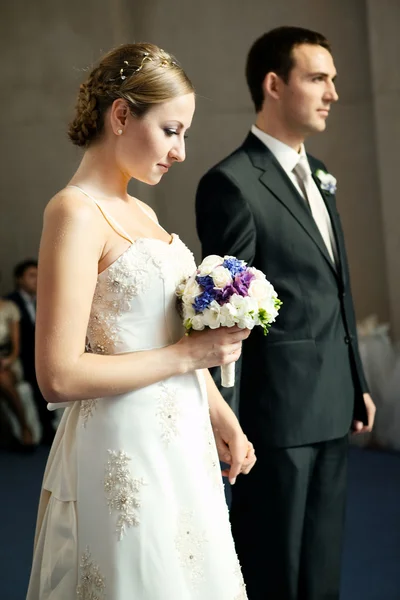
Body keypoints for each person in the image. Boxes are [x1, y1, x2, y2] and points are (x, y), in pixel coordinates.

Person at [27, 43, 256, 599]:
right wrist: (187, 356)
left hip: (181, 441)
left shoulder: (145, 212)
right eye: (172, 130)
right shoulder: (75, 211)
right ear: (122, 115)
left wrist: (220, 413)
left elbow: (165, 338)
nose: (181, 151)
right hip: (122, 446)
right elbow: (57, 375)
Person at [195, 26, 376, 600]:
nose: (333, 93)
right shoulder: (231, 183)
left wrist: (358, 383)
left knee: (321, 567)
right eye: (318, 78)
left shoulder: (321, 175)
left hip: (331, 401)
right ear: (274, 85)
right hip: (275, 417)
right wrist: (228, 419)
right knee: (273, 568)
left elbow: (338, 290)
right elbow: (226, 316)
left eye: (334, 80)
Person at [7, 260, 55, 444]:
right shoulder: (10, 303)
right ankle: (44, 429)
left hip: (44, 356)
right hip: (23, 358)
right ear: (19, 279)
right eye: (31, 276)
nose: (36, 280)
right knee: (38, 377)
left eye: (38, 275)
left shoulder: (46, 300)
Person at [0, 298, 35, 447]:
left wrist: (7, 360)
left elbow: (16, 346)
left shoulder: (9, 308)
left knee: (2, 380)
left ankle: (24, 427)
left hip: (8, 361)